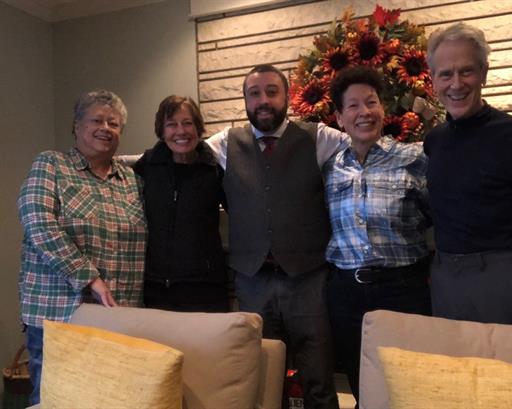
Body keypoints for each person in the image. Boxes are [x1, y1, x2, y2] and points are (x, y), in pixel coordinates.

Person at [206, 64, 349, 409]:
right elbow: (178, 153)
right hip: (252, 280)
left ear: (287, 96)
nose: (263, 101)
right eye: (254, 94)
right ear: (245, 100)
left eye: (272, 91)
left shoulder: (319, 138)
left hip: (308, 279)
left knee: (318, 377)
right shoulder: (224, 144)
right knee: (262, 377)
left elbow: (362, 142)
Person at [18, 89, 147, 404]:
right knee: (56, 400)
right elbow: (38, 224)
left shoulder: (131, 180)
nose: (106, 128)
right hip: (59, 315)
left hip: (117, 316)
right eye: (97, 120)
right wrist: (89, 278)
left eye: (114, 123)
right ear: (76, 126)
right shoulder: (51, 165)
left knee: (111, 399)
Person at [425, 22, 512, 325]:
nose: (456, 84)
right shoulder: (434, 141)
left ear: (484, 73)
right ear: (433, 80)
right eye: (446, 74)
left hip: (502, 280)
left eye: (466, 71)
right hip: (445, 280)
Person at [325, 66, 432, 405]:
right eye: (353, 105)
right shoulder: (329, 168)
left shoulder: (414, 159)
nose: (364, 112)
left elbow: (438, 215)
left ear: (383, 109)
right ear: (339, 118)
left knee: (410, 382)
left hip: (403, 288)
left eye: (371, 102)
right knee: (362, 383)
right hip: (346, 292)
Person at [134, 95, 229, 312]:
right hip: (156, 288)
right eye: (171, 124)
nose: (181, 131)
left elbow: (242, 213)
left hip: (206, 288)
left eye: (187, 123)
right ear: (161, 131)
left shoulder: (214, 169)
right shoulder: (147, 166)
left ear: (198, 127)